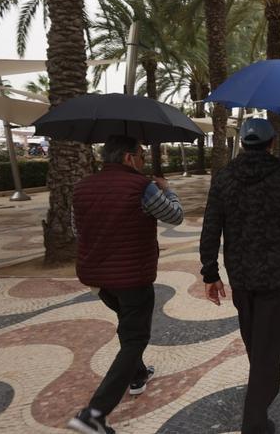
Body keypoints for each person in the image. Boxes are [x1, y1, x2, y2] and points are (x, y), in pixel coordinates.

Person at [199, 118, 280, 434]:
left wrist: (210, 273)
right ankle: (254, 421)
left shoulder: (224, 178)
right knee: (268, 349)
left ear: (243, 143)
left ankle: (260, 392)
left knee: (255, 344)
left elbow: (211, 228)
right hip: (276, 279)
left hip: (242, 278)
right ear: (272, 143)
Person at [68, 135, 184, 434]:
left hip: (96, 277)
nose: (144, 160)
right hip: (132, 276)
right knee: (134, 338)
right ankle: (94, 413)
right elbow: (175, 216)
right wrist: (167, 191)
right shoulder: (140, 187)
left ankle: (138, 375)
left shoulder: (81, 187)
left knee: (127, 323)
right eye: (142, 155)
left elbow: (76, 228)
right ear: (129, 158)